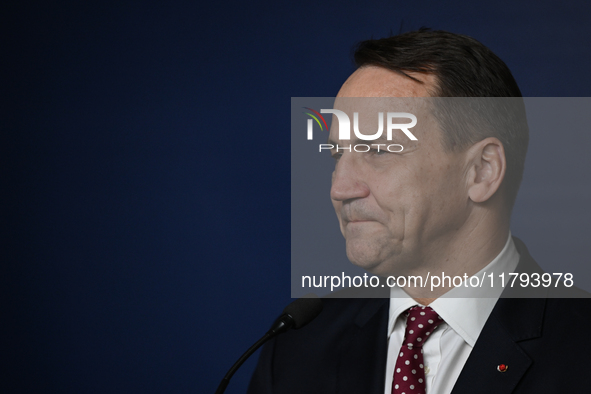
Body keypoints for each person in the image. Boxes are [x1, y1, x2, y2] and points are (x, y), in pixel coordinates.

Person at [248, 29, 590, 394]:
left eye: (378, 151)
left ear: (482, 171)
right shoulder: (297, 347)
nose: (339, 189)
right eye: (337, 155)